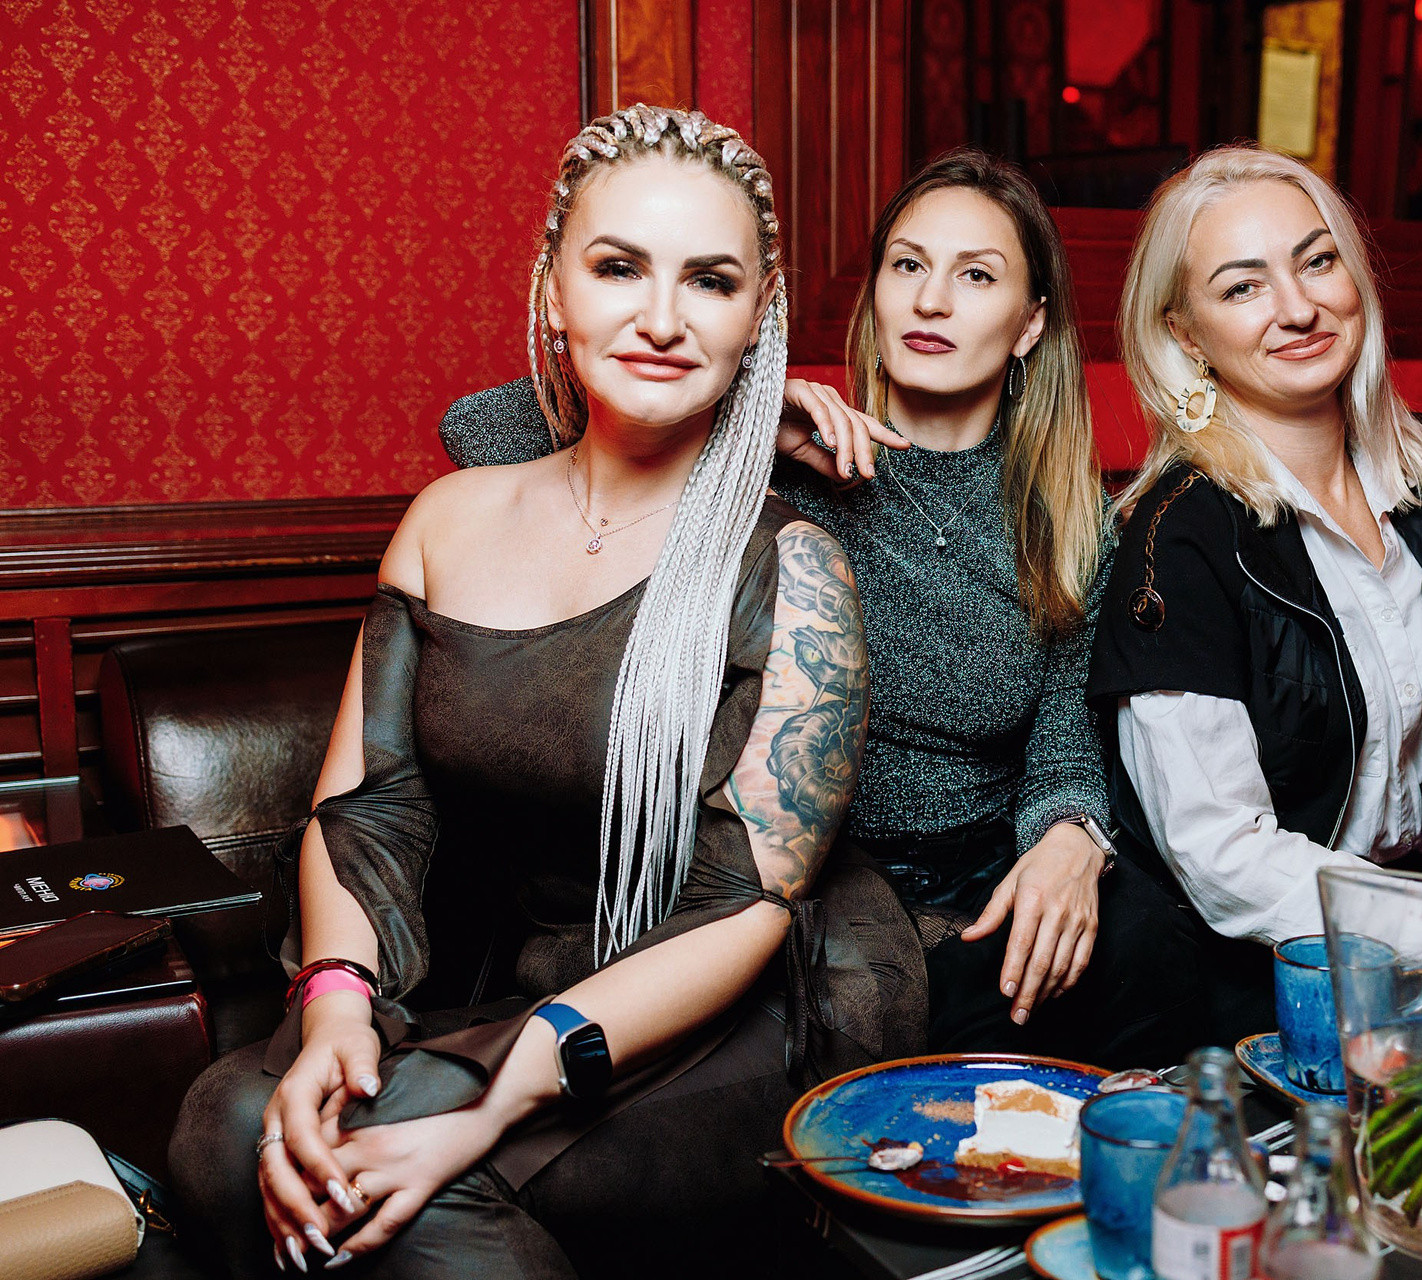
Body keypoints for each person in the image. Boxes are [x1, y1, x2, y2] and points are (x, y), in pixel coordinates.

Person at [170, 105, 924, 1279]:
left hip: (722, 1003)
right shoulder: (449, 517)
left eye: (711, 281)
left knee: (408, 1171)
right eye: (619, 267)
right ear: (553, 289)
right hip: (506, 965)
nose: (662, 318)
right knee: (229, 1128)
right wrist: (336, 1008)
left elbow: (742, 905)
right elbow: (369, 813)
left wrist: (491, 1101)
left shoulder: (794, 566)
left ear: (759, 317)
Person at [439, 150, 1204, 1067]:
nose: (931, 301)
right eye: (908, 265)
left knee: (1174, 963)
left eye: (976, 276)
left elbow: (1065, 733)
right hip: (796, 894)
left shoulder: (1074, 522)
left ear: (1030, 322)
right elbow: (476, 432)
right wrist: (744, 421)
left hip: (983, 884)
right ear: (875, 294)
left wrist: (1072, 835)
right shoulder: (777, 466)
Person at [1087, 145, 1422, 1044]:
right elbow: (1221, 856)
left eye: (1317, 262)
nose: (1297, 307)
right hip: (1266, 982)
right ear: (1186, 334)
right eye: (1243, 287)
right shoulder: (1179, 537)